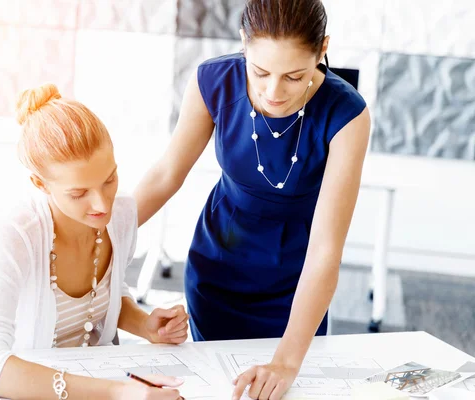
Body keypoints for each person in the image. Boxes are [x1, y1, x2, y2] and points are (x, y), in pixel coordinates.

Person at [133, 0, 371, 398]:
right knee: (215, 386)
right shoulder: (214, 80)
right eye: (259, 71)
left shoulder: (346, 114)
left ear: (323, 48)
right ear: (244, 43)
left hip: (297, 280)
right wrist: (101, 232)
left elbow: (327, 250)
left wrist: (287, 361)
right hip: (218, 263)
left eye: (294, 76)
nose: (273, 92)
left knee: (286, 388)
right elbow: (165, 174)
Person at [0, 83, 189, 400]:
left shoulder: (121, 215)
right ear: (40, 184)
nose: (102, 205)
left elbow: (107, 295)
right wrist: (118, 394)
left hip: (111, 378)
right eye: (78, 193)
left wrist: (145, 325)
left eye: (109, 179)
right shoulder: (16, 233)